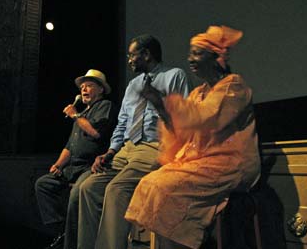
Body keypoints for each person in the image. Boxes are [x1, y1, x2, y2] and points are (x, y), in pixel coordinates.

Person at [125, 25, 262, 249]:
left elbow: (204, 118)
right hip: (201, 159)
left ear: (217, 57)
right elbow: (183, 131)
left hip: (231, 162)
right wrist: (161, 108)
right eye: (190, 53)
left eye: (197, 53)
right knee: (149, 183)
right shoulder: (199, 93)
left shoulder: (233, 86)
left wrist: (162, 102)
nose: (190, 59)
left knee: (165, 188)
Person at [77, 34, 191, 249]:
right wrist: (110, 152)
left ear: (146, 55)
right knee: (88, 188)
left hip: (153, 146)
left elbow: (183, 121)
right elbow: (122, 124)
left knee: (117, 189)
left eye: (132, 55)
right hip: (127, 149)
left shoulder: (174, 76)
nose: (129, 60)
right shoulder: (133, 85)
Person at [34, 69, 118, 249]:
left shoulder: (105, 105)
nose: (84, 90)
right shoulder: (82, 115)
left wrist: (75, 115)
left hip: (90, 167)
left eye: (89, 86)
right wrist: (58, 164)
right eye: (82, 87)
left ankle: (71, 243)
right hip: (72, 167)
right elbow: (70, 146)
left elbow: (96, 133)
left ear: (101, 89)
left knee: (76, 195)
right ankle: (62, 229)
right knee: (43, 184)